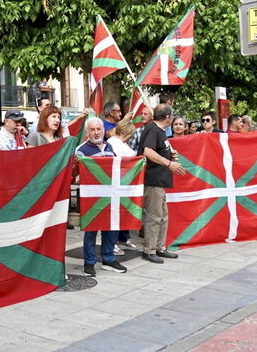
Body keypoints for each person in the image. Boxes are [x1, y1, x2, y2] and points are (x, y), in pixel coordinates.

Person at [75, 117, 128, 275]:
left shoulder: (110, 146)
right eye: (93, 129)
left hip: (110, 196)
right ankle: (89, 263)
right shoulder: (81, 150)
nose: (96, 132)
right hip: (92, 198)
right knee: (91, 229)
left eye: (99, 129)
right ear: (87, 132)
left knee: (111, 227)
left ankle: (108, 259)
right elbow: (78, 176)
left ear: (103, 130)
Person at [138, 104, 186, 263]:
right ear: (167, 117)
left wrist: (170, 153)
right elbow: (148, 151)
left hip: (160, 180)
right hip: (153, 179)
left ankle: (160, 247)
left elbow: (157, 149)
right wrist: (168, 163)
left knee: (163, 216)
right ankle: (149, 250)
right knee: (154, 216)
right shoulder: (152, 130)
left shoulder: (160, 131)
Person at [106, 119, 139, 254]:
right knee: (116, 215)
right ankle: (113, 243)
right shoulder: (116, 144)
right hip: (118, 183)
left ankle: (120, 239)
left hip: (120, 182)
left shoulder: (114, 142)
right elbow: (131, 156)